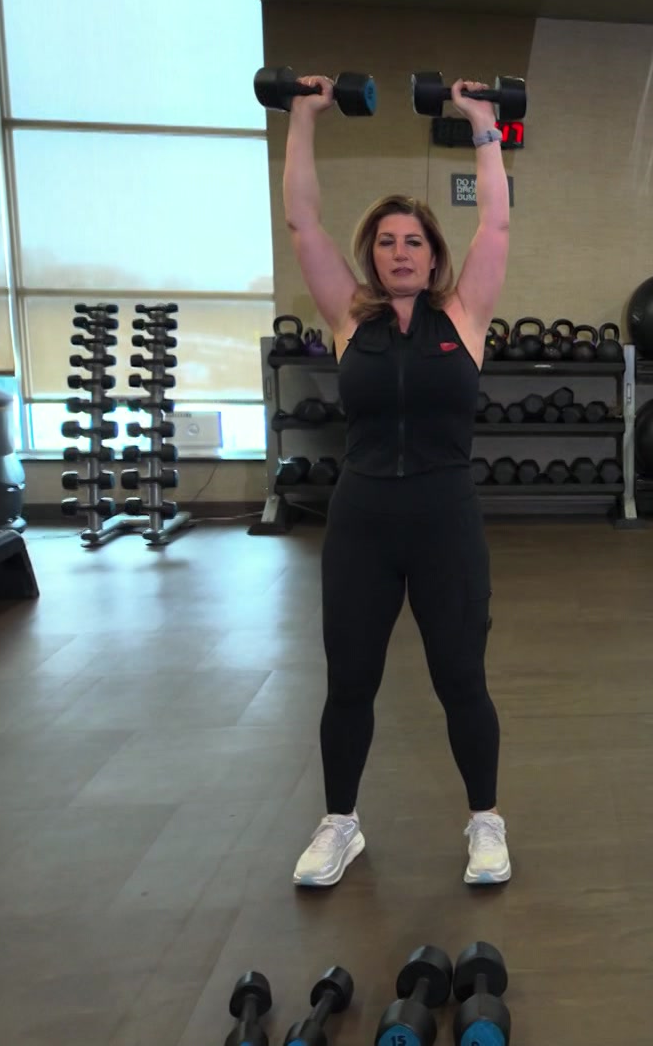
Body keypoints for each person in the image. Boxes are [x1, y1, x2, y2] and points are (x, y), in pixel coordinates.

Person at [277, 74, 513, 888]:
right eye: (386, 242)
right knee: (350, 682)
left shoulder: (465, 316)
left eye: (414, 240)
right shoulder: (350, 318)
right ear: (370, 256)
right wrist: (303, 116)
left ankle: (485, 822)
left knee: (461, 680)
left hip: (446, 520)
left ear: (434, 254)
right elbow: (303, 220)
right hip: (363, 522)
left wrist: (482, 121)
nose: (401, 252)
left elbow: (496, 221)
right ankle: (340, 825)